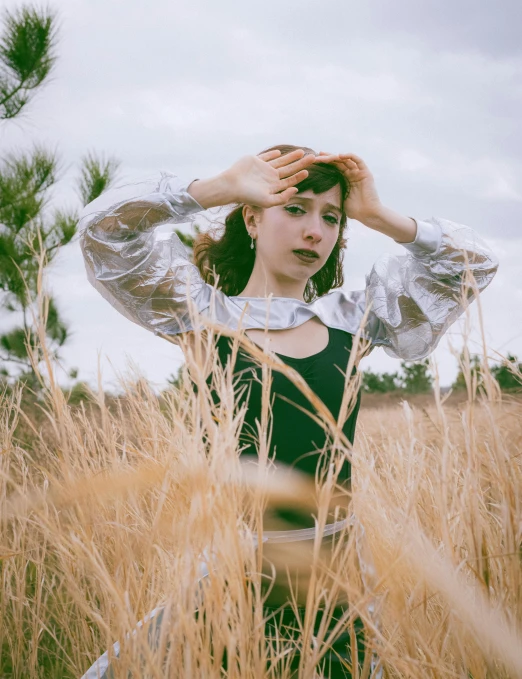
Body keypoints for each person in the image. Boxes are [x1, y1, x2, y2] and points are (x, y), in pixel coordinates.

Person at [79, 145, 498, 677]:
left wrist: (377, 215)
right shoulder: (202, 315)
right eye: (295, 209)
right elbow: (104, 234)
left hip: (336, 587)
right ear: (252, 218)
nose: (314, 232)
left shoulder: (352, 320)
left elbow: (474, 262)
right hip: (234, 585)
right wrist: (219, 188)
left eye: (331, 218)